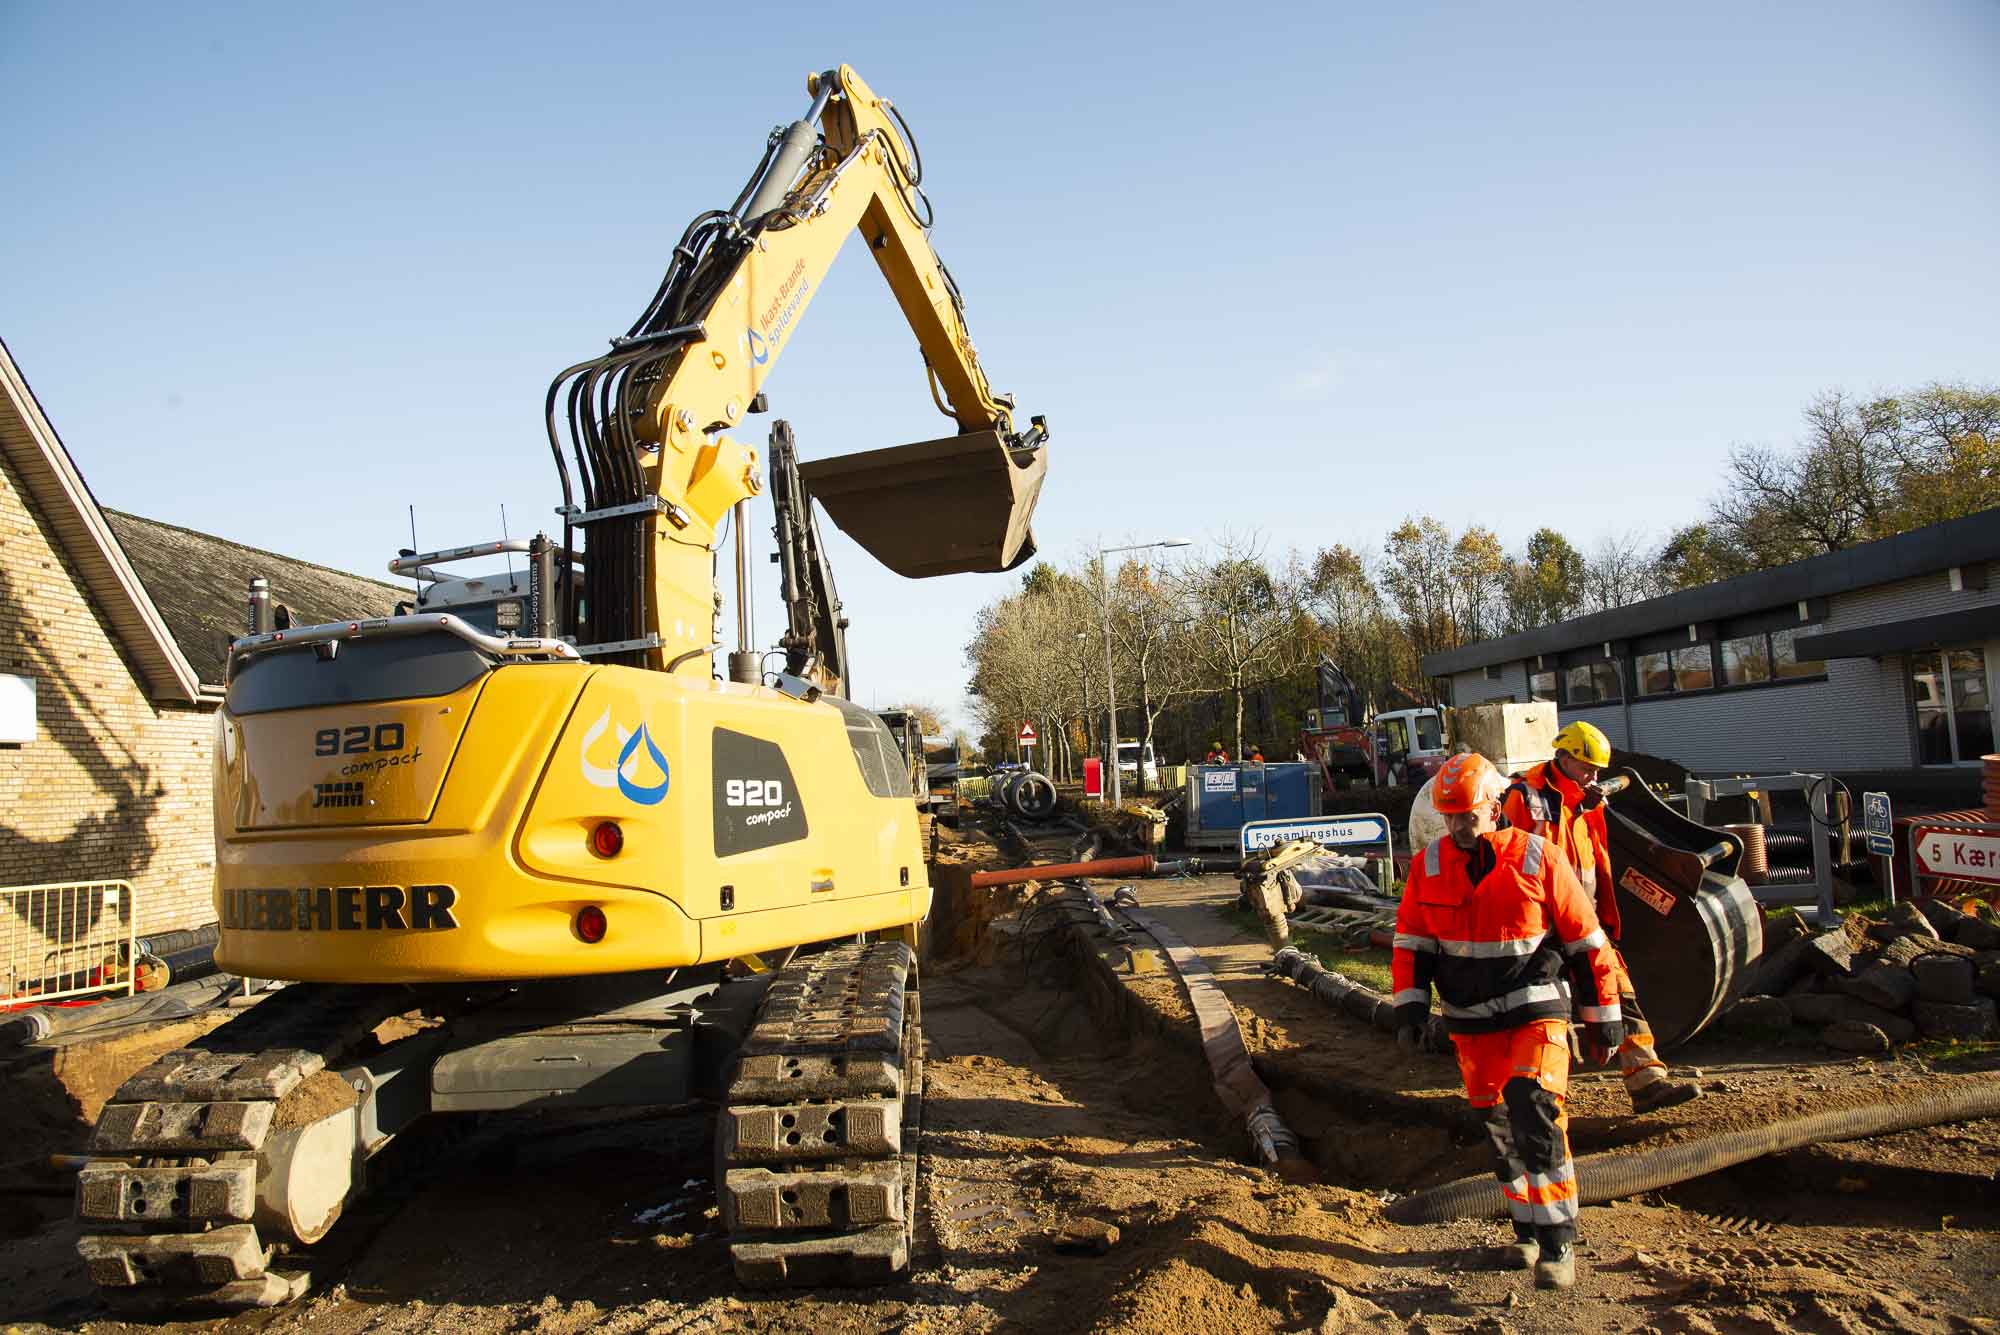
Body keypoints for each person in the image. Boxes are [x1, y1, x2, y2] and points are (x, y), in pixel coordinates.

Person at [1392, 751, 1622, 1291]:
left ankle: (1558, 1241)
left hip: (1535, 1010)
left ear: (1494, 807)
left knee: (1533, 1104)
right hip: (1471, 1025)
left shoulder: (1538, 857)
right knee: (1499, 1129)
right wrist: (1408, 1009)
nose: (1459, 827)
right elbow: (1412, 945)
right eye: (1450, 817)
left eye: (1467, 815)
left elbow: (1587, 941)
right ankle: (1526, 1228)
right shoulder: (1428, 867)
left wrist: (1602, 1017)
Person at [1501, 722, 1701, 1116]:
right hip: (1539, 927)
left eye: (1597, 770)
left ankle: (1647, 1081)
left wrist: (1603, 917)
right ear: (1564, 757)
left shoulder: (1587, 804)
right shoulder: (1522, 796)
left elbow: (1594, 864)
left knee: (1618, 992)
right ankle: (1525, 1097)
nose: (1594, 776)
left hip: (1582, 920)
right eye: (1587, 767)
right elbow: (1503, 857)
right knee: (1536, 1012)